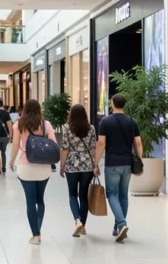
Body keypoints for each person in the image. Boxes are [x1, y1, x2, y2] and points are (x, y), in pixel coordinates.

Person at [95, 93, 142, 243]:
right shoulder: (132, 121)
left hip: (112, 163)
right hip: (127, 163)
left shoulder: (105, 121)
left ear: (112, 104)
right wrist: (139, 161)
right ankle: (117, 228)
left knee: (112, 194)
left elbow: (101, 143)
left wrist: (95, 163)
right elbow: (138, 143)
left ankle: (121, 223)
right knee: (123, 195)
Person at [10, 99, 55, 244]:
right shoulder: (45, 124)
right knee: (40, 199)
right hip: (43, 167)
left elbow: (15, 145)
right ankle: (39, 229)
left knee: (30, 201)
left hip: (25, 165)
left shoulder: (19, 124)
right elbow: (54, 143)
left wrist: (11, 161)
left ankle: (35, 235)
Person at [60, 104, 98, 237]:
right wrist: (96, 165)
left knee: (72, 194)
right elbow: (94, 148)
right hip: (87, 164)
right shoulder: (91, 128)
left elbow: (64, 148)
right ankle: (83, 226)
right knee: (83, 196)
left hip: (71, 164)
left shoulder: (66, 128)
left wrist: (62, 166)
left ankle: (77, 221)